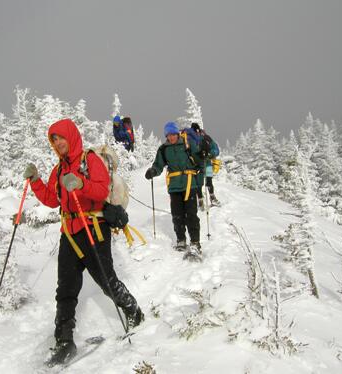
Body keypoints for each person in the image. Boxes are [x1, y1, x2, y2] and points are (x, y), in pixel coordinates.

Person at [24, 118, 143, 366]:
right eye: (53, 140)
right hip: (69, 232)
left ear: (71, 136)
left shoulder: (89, 161)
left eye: (60, 138)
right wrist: (35, 181)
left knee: (106, 280)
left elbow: (100, 191)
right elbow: (52, 199)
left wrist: (81, 183)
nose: (57, 143)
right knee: (65, 288)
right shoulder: (58, 170)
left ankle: (133, 311)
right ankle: (64, 341)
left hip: (94, 227)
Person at [144, 122, 204, 259]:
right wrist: (153, 171)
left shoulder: (188, 144)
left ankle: (195, 243)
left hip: (190, 184)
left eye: (172, 134)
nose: (171, 137)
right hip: (174, 186)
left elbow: (199, 161)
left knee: (191, 215)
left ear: (177, 134)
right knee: (177, 215)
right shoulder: (163, 149)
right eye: (168, 135)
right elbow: (158, 165)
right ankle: (181, 240)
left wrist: (202, 158)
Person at [189, 123, 221, 209]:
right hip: (197, 165)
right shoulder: (190, 139)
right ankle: (200, 200)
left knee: (209, 181)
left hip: (207, 164)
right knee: (198, 184)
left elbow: (216, 149)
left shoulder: (206, 138)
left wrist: (210, 154)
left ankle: (211, 197)